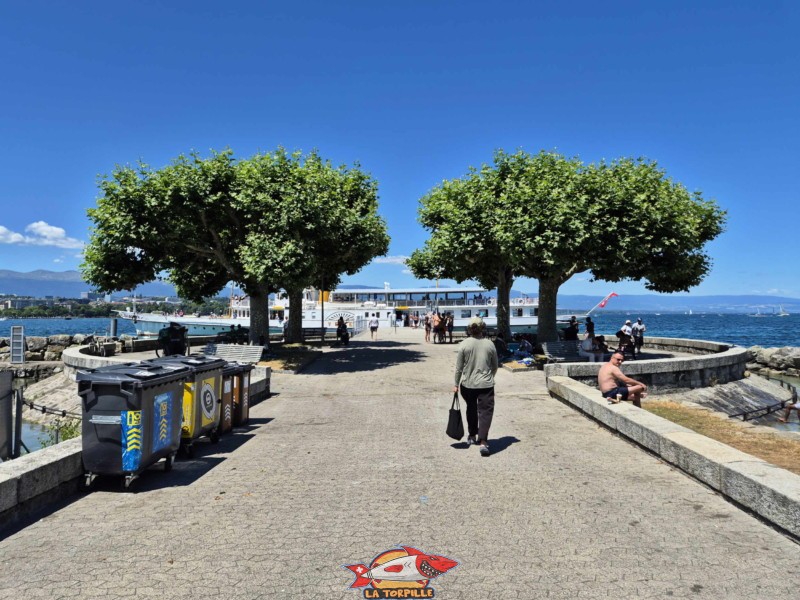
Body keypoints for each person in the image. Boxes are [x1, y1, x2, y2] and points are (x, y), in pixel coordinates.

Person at [453, 317, 498, 457]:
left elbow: (459, 368)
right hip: (486, 385)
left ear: (469, 329)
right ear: (483, 328)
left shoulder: (464, 344)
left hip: (468, 384)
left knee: (471, 409)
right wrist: (489, 377)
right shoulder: (490, 344)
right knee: (485, 412)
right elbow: (495, 366)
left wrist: (456, 384)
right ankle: (483, 442)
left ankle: (472, 435)